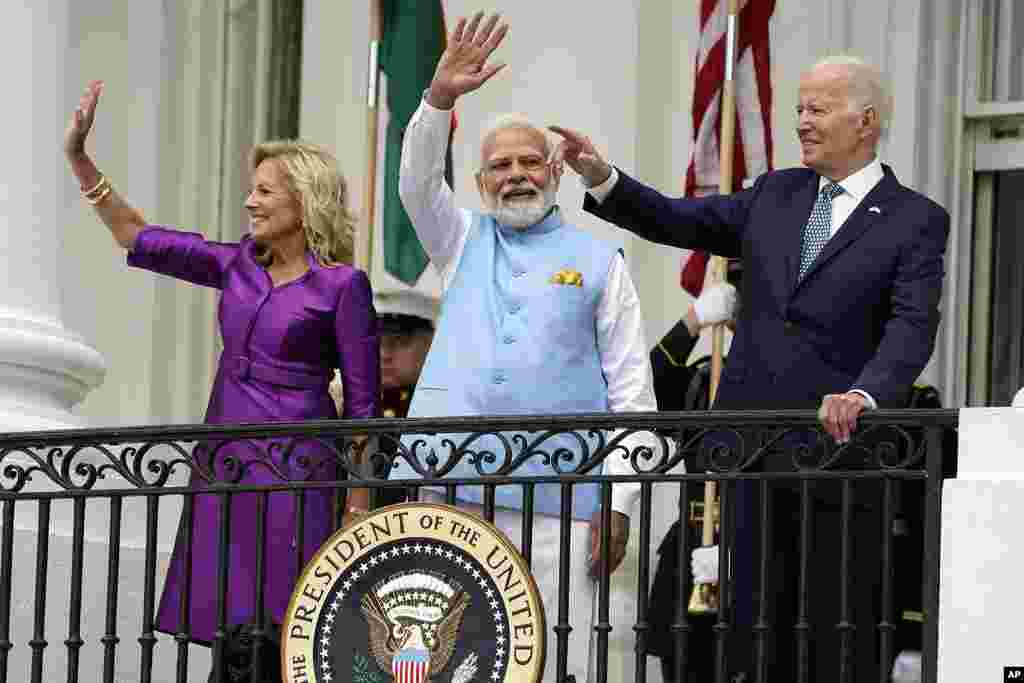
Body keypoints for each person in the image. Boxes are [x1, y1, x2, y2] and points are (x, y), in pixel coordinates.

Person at [552, 56, 949, 682]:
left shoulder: (914, 219)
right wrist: (604, 179)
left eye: (817, 109)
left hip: (836, 458)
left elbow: (912, 324)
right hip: (746, 452)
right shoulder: (776, 192)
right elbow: (676, 218)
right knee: (747, 636)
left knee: (826, 638)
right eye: (798, 109)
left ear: (865, 121)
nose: (802, 123)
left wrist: (867, 393)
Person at [64, 81, 380, 672]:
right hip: (227, 457)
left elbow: (363, 404)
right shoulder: (234, 263)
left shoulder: (343, 286)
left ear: (303, 202)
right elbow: (139, 237)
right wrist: (82, 162)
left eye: (264, 191)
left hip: (300, 467)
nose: (250, 202)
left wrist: (357, 508)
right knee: (228, 618)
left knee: (289, 622)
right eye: (251, 190)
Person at [396, 13, 659, 683]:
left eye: (529, 162)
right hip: (450, 492)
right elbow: (415, 186)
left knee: (550, 664)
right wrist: (439, 99)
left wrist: (620, 502)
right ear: (482, 183)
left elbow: (633, 390)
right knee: (451, 662)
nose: (515, 175)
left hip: (561, 507)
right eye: (500, 166)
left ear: (556, 174)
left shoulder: (601, 261)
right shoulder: (459, 241)